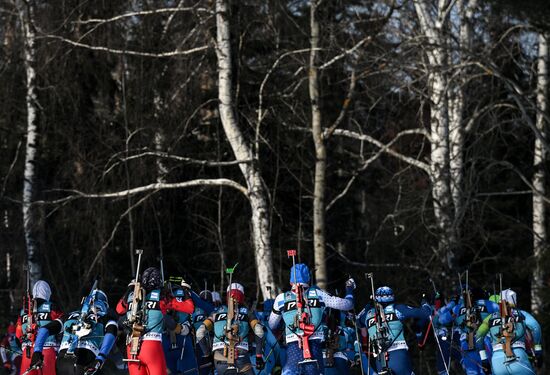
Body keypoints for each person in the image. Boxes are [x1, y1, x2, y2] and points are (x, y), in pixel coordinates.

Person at [268, 263, 355, 375]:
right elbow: (348, 304)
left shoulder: (281, 299)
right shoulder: (319, 294)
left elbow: (271, 324)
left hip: (292, 346)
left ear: (290, 282)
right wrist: (349, 290)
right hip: (315, 345)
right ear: (308, 280)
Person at [116, 267, 195, 375]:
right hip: (151, 345)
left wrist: (129, 290)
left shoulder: (132, 295)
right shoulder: (162, 296)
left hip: (132, 346)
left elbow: (119, 309)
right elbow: (189, 308)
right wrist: (185, 289)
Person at [29, 288, 117, 375]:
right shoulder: (105, 318)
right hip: (85, 361)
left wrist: (37, 351)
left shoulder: (69, 315)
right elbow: (111, 333)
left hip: (62, 363)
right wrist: (100, 359)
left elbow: (44, 330)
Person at [196, 283, 265, 375]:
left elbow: (200, 333)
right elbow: (259, 331)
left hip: (219, 356)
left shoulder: (216, 312)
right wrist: (258, 356)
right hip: (241, 354)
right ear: (242, 296)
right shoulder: (247, 313)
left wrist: (207, 355)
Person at [360, 286, 431, 375]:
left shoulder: (367, 314)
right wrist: (425, 302)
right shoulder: (397, 309)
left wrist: (368, 305)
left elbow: (357, 321)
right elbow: (426, 313)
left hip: (379, 361)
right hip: (399, 355)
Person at [475, 289, 543, 375]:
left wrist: (484, 359)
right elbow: (535, 327)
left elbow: (479, 335)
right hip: (518, 356)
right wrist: (538, 349)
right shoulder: (521, 314)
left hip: (497, 361)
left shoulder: (490, 317)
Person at [438, 287, 499, 375]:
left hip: (466, 344)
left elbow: (441, 319)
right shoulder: (490, 304)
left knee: (472, 372)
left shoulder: (458, 308)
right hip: (486, 343)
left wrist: (453, 303)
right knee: (488, 371)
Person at [16, 280, 62, 375]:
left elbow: (18, 336)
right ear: (47, 292)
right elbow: (62, 327)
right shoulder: (52, 307)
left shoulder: (24, 311)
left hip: (27, 353)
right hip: (47, 351)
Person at [162, 280, 198, 375]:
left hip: (171, 337)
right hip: (178, 337)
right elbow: (192, 308)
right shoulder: (182, 295)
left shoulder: (159, 297)